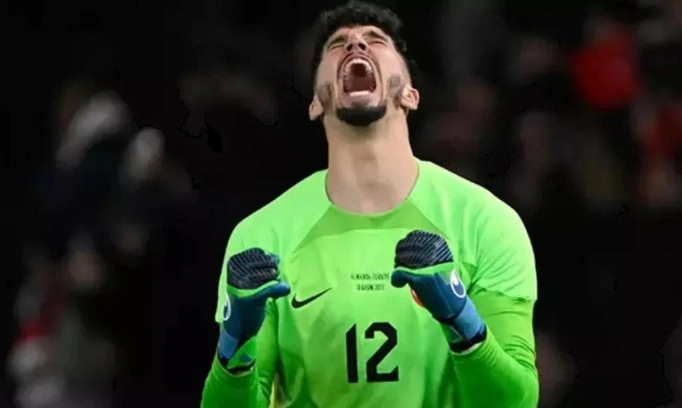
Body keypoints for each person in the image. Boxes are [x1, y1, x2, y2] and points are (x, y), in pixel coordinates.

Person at [200, 1, 538, 407]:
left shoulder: (486, 223)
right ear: (316, 101)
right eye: (337, 44)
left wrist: (460, 318)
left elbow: (516, 402)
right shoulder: (262, 237)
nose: (356, 44)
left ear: (410, 94)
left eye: (376, 40)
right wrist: (234, 347)